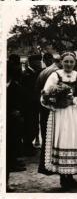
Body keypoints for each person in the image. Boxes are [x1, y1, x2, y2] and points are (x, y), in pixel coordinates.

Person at [41, 52, 77, 190]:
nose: (68, 64)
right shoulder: (55, 75)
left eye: (71, 62)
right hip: (61, 114)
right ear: (61, 62)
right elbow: (45, 94)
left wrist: (74, 100)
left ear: (75, 63)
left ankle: (71, 174)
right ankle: (63, 176)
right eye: (66, 61)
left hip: (75, 113)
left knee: (74, 139)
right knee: (62, 139)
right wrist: (55, 101)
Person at [36, 54, 62, 175]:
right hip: (52, 108)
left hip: (43, 106)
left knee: (46, 136)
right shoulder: (56, 73)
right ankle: (51, 164)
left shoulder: (44, 71)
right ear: (59, 61)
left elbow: (38, 89)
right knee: (54, 136)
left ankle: (44, 165)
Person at [7, 56, 27, 192]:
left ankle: (5, 182)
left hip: (12, 125)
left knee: (9, 151)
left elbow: (22, 104)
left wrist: (18, 112)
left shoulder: (15, 86)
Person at [21, 53, 43, 156]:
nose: (39, 63)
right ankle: (27, 145)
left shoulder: (38, 72)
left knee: (34, 124)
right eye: (37, 61)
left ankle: (30, 144)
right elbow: (26, 91)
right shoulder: (26, 74)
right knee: (29, 124)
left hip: (36, 104)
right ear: (31, 62)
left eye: (39, 61)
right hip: (29, 105)